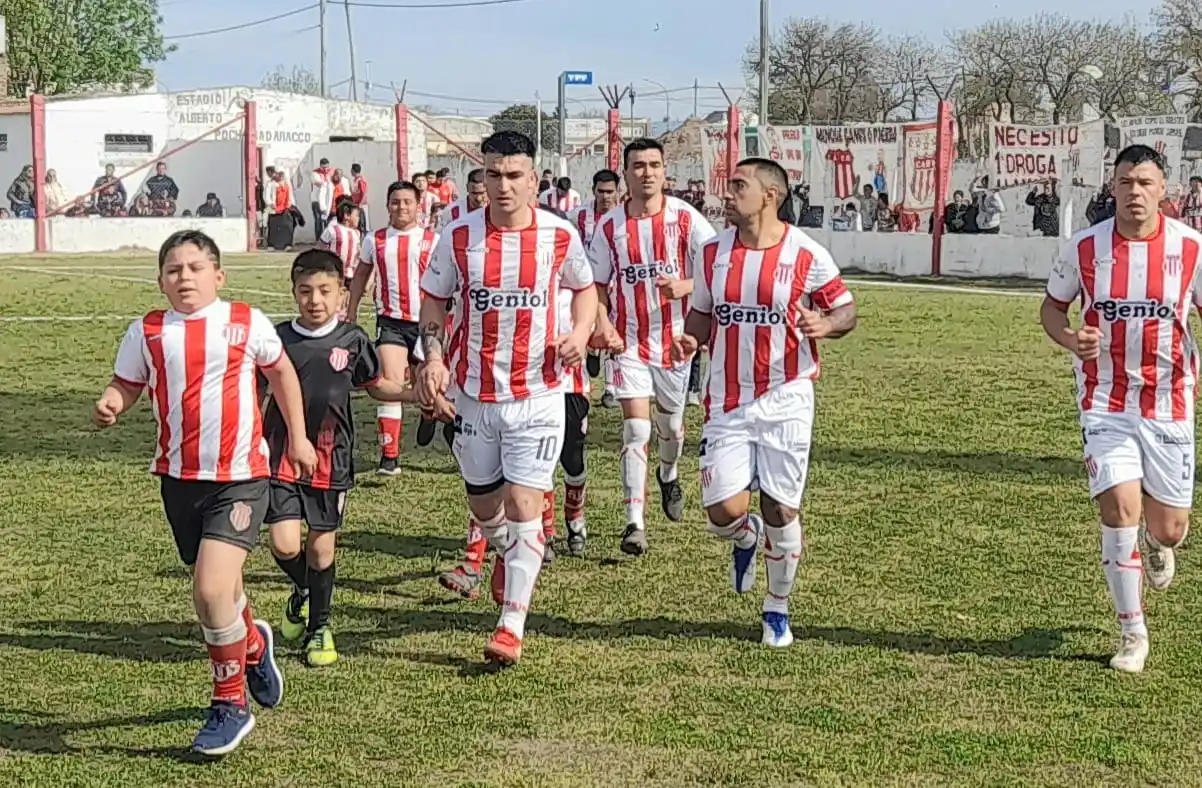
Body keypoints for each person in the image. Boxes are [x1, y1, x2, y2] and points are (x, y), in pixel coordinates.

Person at [91, 229, 316, 755]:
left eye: (196, 267)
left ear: (219, 275)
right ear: (161, 281)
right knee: (222, 593)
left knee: (211, 591)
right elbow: (128, 383)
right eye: (174, 270)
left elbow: (280, 373)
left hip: (240, 477)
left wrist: (299, 437)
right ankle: (253, 644)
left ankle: (230, 705)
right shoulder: (148, 331)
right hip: (178, 479)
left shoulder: (244, 321)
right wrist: (112, 402)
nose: (184, 277)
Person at [416, 130, 596, 666]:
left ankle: (510, 626)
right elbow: (433, 302)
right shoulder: (458, 236)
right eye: (493, 174)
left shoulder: (560, 237)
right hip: (474, 394)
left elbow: (585, 289)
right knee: (485, 507)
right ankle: (508, 552)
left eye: (514, 175)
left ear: (533, 180)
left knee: (524, 505)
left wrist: (582, 333)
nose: (503, 185)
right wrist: (432, 355)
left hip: (540, 393)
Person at [671, 158, 856, 647]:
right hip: (727, 399)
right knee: (721, 513)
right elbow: (702, 315)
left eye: (738, 185)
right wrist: (690, 342)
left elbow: (846, 309)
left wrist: (827, 325)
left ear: (770, 195)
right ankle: (745, 539)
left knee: (780, 508)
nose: (727, 194)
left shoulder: (805, 253)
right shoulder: (712, 253)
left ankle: (777, 607)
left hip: (787, 396)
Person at [1040, 144, 1202, 674]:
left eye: (1146, 183)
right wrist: (1070, 339)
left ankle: (1159, 544)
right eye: (1126, 182)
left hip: (1169, 401)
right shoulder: (1084, 248)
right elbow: (1052, 308)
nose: (1135, 192)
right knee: (1118, 511)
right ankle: (1132, 633)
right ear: (1113, 187)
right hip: (1104, 402)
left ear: (1164, 189)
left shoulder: (1191, 249)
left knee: (1170, 527)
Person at [265, 250, 414, 667]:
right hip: (281, 454)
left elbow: (375, 385)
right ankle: (309, 592)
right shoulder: (277, 339)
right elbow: (256, 389)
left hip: (333, 457)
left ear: (342, 293)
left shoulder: (352, 340)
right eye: (306, 291)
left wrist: (410, 393)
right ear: (294, 292)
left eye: (325, 291)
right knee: (283, 542)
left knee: (321, 549)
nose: (315, 300)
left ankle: (320, 629)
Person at [588, 137, 715, 556]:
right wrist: (604, 325)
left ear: (664, 172)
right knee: (635, 429)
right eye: (638, 165)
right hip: (628, 342)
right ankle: (634, 523)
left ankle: (669, 472)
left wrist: (686, 285)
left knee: (672, 429)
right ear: (626, 173)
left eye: (654, 165)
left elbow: (720, 268)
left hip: (675, 343)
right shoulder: (610, 228)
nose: (647, 172)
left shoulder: (685, 218)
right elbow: (597, 287)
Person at [347, 181, 437, 476]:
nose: (401, 207)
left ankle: (427, 410)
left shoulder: (432, 240)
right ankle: (390, 457)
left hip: (427, 321)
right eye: (395, 202)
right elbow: (361, 275)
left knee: (429, 382)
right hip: (391, 322)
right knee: (391, 383)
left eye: (407, 202)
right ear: (387, 206)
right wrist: (352, 311)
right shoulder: (375, 240)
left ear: (418, 205)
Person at [571, 170, 623, 408]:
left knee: (616, 330)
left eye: (610, 192)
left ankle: (611, 388)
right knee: (583, 329)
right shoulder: (578, 217)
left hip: (616, 285)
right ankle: (589, 359)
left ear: (617, 192)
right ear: (593, 191)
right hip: (584, 286)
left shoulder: (624, 217)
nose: (605, 197)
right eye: (601, 192)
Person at [319, 198, 363, 317]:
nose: (358, 219)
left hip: (349, 274)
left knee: (346, 299)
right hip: (333, 272)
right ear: (347, 215)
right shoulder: (332, 230)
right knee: (333, 296)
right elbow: (321, 248)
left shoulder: (356, 233)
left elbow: (357, 253)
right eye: (356, 215)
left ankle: (343, 318)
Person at [351, 163, 369, 232]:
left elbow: (364, 193)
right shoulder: (357, 180)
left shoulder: (360, 180)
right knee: (358, 224)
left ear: (352, 171)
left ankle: (362, 240)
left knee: (362, 224)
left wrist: (360, 204)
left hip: (360, 206)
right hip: (357, 204)